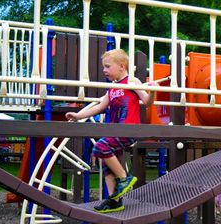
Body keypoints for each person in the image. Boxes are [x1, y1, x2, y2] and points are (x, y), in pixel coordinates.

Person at [65, 49, 156, 213]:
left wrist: (154, 91)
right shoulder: (112, 88)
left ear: (121, 66)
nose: (104, 70)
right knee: (103, 158)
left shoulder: (131, 81)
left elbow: (147, 102)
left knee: (100, 147)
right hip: (115, 130)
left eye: (107, 67)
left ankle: (124, 178)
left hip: (128, 129)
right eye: (103, 67)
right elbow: (100, 107)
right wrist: (78, 116)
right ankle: (115, 199)